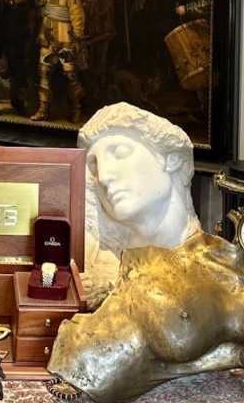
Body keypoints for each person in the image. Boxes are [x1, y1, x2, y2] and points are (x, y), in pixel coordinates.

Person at [77, 102, 202, 306]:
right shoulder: (93, 268)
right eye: (94, 165)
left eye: (120, 152)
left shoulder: (214, 273)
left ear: (170, 159)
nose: (103, 176)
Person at [31, 0, 86, 122]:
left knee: (71, 76)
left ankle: (76, 108)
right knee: (44, 74)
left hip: (66, 41)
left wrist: (77, 39)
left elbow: (78, 19)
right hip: (47, 40)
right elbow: (37, 7)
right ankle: (42, 110)